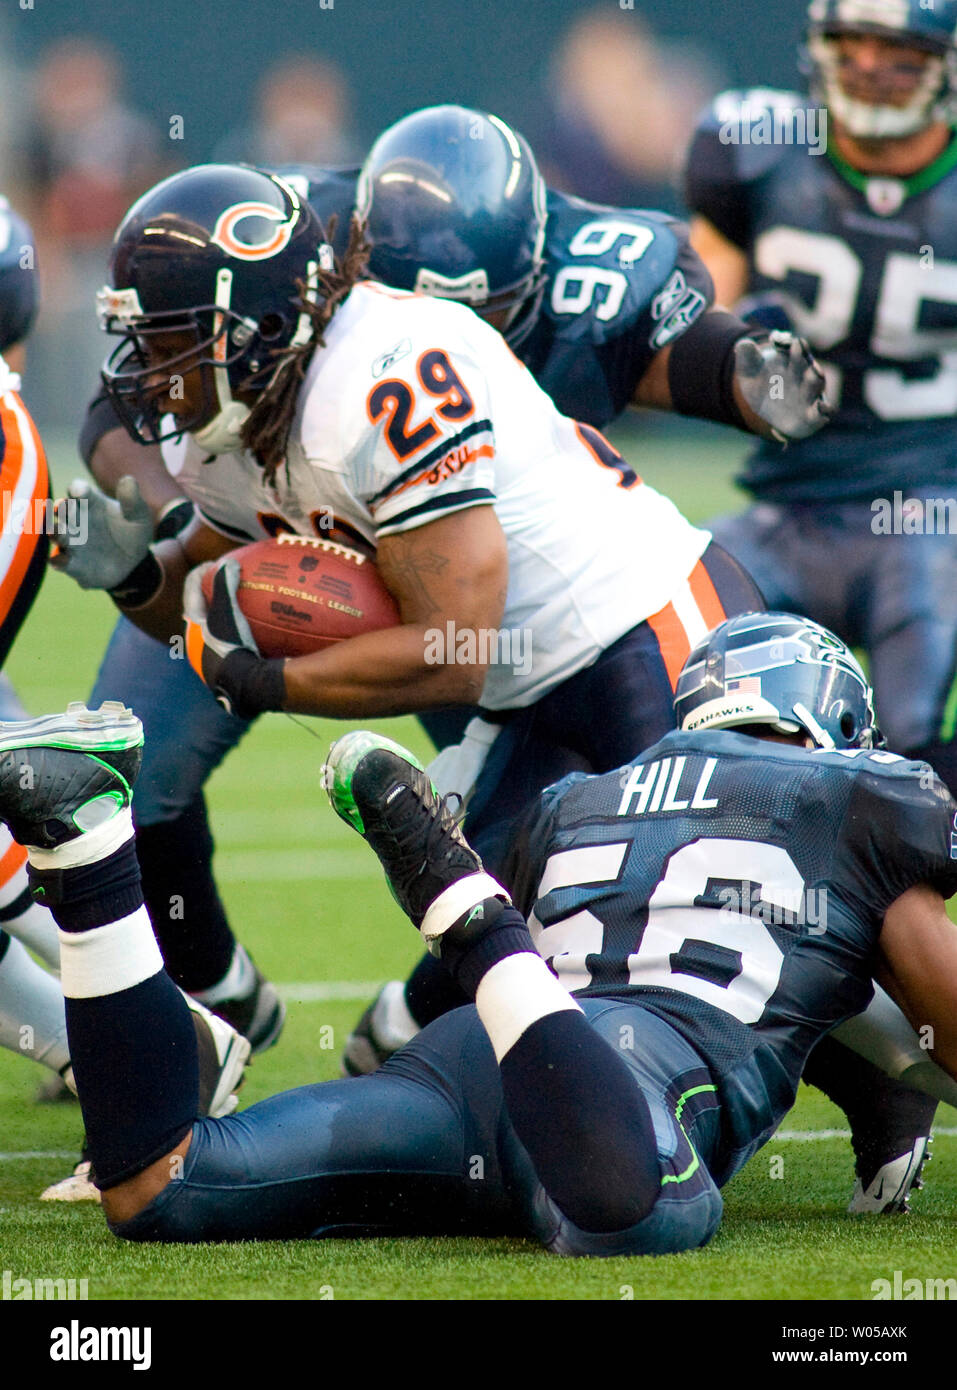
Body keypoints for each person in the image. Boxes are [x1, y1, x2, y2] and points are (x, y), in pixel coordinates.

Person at [71, 114, 826, 1061]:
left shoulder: (382, 376)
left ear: (257, 328)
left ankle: (883, 1074)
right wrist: (140, 576)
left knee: (713, 898)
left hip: (641, 622)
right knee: (486, 927)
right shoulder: (221, 426)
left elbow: (452, 650)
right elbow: (191, 608)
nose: (149, 373)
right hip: (528, 686)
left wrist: (275, 685)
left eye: (170, 340)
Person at [7, 612, 957, 1252]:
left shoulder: (577, 800)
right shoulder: (861, 794)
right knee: (634, 1213)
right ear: (827, 717)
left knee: (160, 1186)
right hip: (621, 1089)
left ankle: (93, 864)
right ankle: (470, 918)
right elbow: (932, 1021)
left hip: (486, 1059)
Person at [683, 0, 957, 1214]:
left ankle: (901, 1050)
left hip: (929, 510)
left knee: (898, 780)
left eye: (905, 52)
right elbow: (694, 303)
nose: (876, 72)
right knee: (662, 667)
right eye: (857, 49)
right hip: (787, 509)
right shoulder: (753, 146)